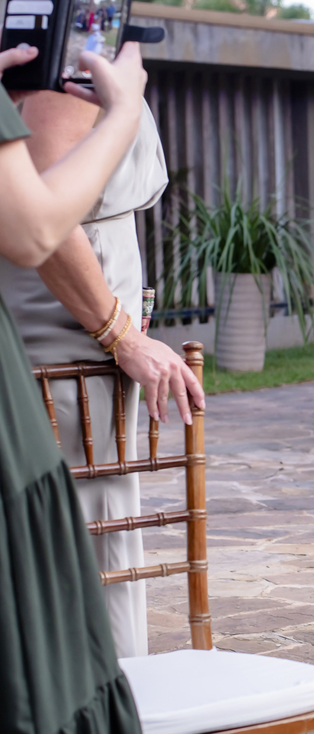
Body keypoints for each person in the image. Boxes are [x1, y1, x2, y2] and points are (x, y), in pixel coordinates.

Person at [0, 0, 204, 659]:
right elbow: (42, 222)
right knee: (89, 560)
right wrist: (121, 333)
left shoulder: (57, 11)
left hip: (75, 328)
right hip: (64, 338)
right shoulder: (62, 32)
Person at [0, 40, 150, 734]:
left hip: (77, 348)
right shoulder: (56, 78)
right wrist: (122, 109)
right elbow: (36, 231)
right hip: (64, 348)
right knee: (73, 568)